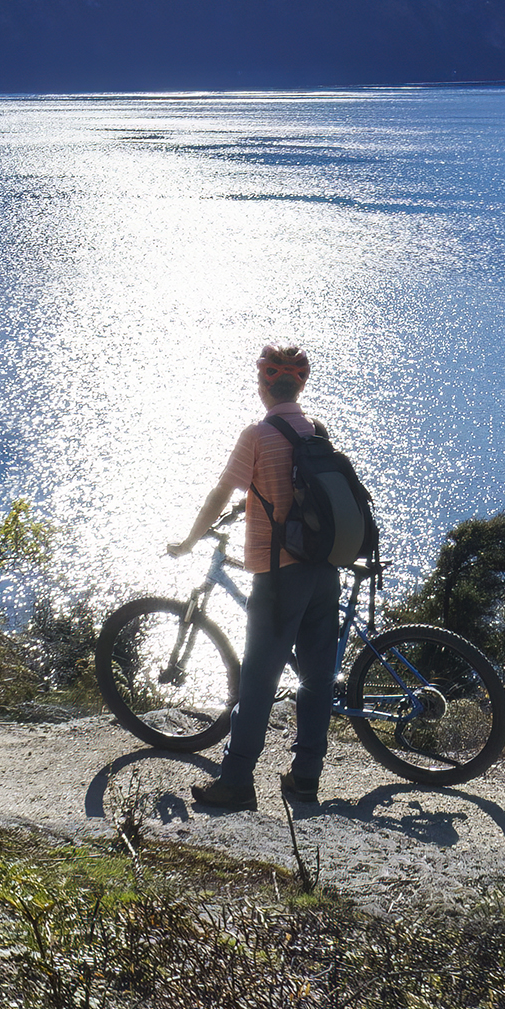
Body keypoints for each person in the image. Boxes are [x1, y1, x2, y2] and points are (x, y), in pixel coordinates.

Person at [167, 345, 339, 811]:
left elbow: (220, 492)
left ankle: (237, 781)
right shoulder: (316, 430)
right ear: (300, 385)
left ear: (264, 386)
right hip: (324, 572)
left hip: (280, 577)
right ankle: (305, 779)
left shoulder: (259, 434)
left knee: (257, 682)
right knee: (318, 679)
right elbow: (302, 492)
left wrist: (188, 541)